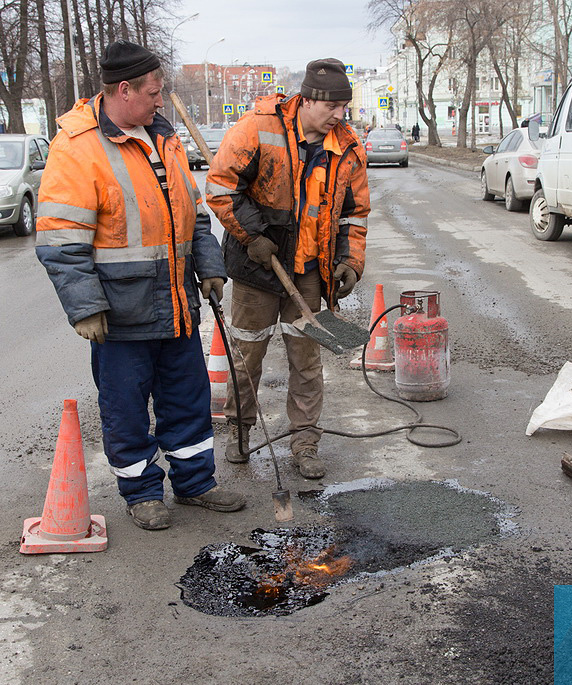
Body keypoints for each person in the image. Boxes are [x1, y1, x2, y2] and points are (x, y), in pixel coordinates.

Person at [35, 40, 244, 531]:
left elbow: (191, 217)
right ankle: (143, 491)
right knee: (126, 407)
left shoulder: (163, 137)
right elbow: (62, 242)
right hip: (120, 312)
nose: (161, 100)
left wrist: (209, 266)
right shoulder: (78, 147)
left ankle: (195, 483)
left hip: (176, 305)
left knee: (187, 398)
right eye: (154, 92)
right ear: (124, 90)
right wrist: (85, 307)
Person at [206, 57, 370, 480]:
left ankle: (305, 443)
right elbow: (222, 189)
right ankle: (240, 435)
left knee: (306, 360)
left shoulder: (347, 147)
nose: (340, 115)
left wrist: (350, 261)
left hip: (309, 272)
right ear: (310, 100)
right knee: (247, 356)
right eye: (333, 107)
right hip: (256, 267)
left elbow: (354, 214)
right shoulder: (257, 128)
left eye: (344, 107)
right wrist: (253, 236)